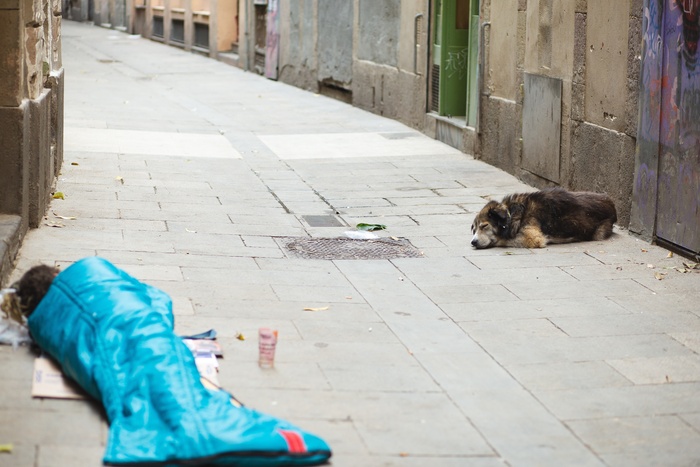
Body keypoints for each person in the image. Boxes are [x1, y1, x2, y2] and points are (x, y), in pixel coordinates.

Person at [15, 256, 331, 466]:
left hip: (126, 343)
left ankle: (193, 433)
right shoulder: (93, 268)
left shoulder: (45, 326)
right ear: (57, 272)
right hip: (144, 327)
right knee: (165, 378)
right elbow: (158, 301)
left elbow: (79, 353)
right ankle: (200, 435)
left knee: (136, 386)